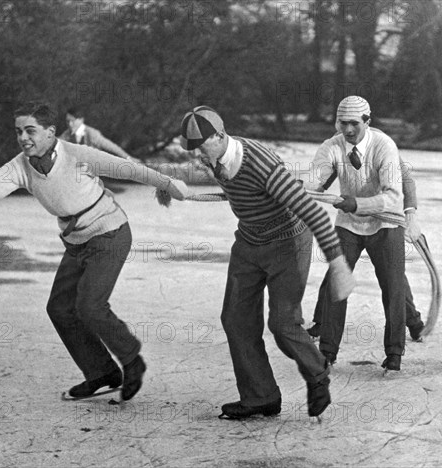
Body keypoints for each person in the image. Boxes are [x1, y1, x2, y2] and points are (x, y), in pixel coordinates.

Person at [0, 101, 188, 401]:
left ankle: (132, 361)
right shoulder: (19, 167)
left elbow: (128, 169)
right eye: (18, 132)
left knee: (90, 306)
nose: (23, 138)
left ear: (51, 133)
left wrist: (168, 184)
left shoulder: (78, 155)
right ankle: (102, 372)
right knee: (59, 308)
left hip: (110, 234)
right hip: (77, 242)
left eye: (30, 131)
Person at [179, 105, 355, 420]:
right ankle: (261, 397)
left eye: (202, 147)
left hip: (287, 243)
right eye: (194, 150)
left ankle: (318, 374)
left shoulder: (262, 164)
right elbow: (203, 178)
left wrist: (338, 264)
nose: (200, 157)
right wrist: (169, 187)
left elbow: (312, 213)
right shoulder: (215, 155)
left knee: (283, 323)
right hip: (248, 243)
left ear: (220, 135)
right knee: (235, 319)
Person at [307, 95, 408, 372]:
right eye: (342, 123)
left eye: (354, 124)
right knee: (337, 282)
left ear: (368, 122)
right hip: (349, 223)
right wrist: (287, 186)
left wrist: (359, 203)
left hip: (385, 224)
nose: (348, 130)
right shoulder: (332, 146)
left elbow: (393, 195)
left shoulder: (384, 146)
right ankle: (327, 352)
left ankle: (394, 352)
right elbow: (313, 181)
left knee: (393, 288)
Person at [306, 161, 425, 343]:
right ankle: (323, 323)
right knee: (338, 269)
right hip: (351, 222)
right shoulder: (340, 144)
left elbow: (406, 181)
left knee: (392, 277)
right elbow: (323, 177)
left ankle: (414, 323)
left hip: (383, 222)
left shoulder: (380, 143)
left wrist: (410, 214)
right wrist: (306, 188)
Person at [59, 107, 142, 163]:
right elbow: (57, 143)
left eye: (72, 121)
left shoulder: (92, 133)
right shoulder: (67, 133)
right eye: (67, 121)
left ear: (81, 120)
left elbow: (110, 146)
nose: (70, 124)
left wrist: (127, 157)